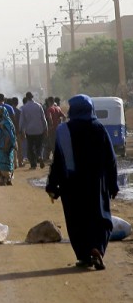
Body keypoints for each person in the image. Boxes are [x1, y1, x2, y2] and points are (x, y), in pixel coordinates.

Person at [46, 95, 119, 270]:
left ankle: (84, 255)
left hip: (71, 184)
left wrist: (52, 185)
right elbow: (111, 159)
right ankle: (98, 249)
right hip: (96, 183)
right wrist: (113, 183)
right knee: (100, 216)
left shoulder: (63, 130)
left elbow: (58, 160)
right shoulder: (99, 128)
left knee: (76, 219)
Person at [19, 91, 48, 170]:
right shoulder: (38, 106)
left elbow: (21, 120)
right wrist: (46, 128)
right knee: (39, 145)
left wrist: (21, 130)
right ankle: (39, 156)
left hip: (29, 131)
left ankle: (33, 164)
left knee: (30, 147)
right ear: (32, 97)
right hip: (39, 130)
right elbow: (43, 118)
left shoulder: (24, 107)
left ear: (26, 97)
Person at [0, 106, 17, 186]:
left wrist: (5, 145)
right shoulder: (0, 122)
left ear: (3, 113)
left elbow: (9, 135)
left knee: (3, 162)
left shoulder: (6, 123)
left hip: (3, 147)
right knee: (5, 162)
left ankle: (4, 180)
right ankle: (7, 179)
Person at [45, 96, 67, 162]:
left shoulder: (49, 109)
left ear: (49, 101)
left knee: (53, 144)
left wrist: (51, 125)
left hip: (52, 130)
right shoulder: (58, 108)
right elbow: (64, 116)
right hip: (59, 129)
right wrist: (62, 124)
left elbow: (49, 117)